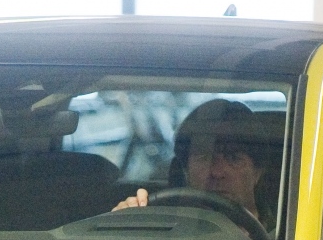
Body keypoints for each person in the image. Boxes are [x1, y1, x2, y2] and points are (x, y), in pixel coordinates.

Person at [113, 99, 278, 231]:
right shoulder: (159, 227)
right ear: (185, 169)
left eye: (233, 158)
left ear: (257, 171)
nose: (217, 172)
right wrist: (126, 223)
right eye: (204, 158)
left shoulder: (286, 238)